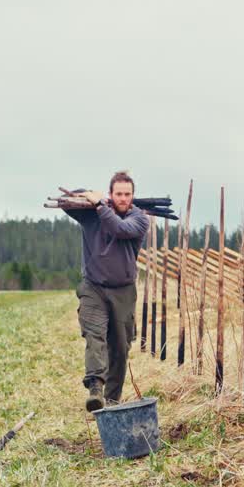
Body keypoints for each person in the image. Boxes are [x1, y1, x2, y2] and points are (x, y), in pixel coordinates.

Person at [65, 171, 150, 412]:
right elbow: (68, 202)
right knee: (95, 336)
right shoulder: (91, 215)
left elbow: (119, 229)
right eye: (118, 194)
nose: (123, 198)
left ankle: (112, 401)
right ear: (111, 194)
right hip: (93, 288)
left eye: (127, 194)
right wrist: (87, 194)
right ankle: (95, 387)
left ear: (133, 197)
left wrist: (101, 204)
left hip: (123, 291)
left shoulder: (139, 219)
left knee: (120, 347)